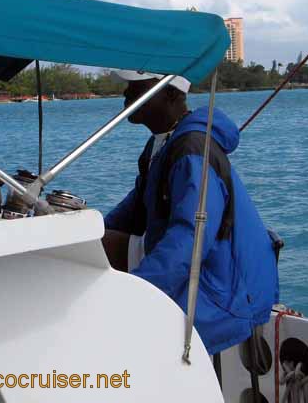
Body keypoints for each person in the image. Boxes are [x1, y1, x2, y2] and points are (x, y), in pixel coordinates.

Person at [103, 70, 279, 355]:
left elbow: (190, 238)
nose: (126, 94)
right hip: (205, 270)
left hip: (222, 291)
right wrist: (80, 232)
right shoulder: (162, 143)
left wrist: (138, 295)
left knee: (116, 332)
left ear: (171, 94)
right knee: (95, 248)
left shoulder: (190, 149)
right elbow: (133, 210)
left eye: (137, 88)